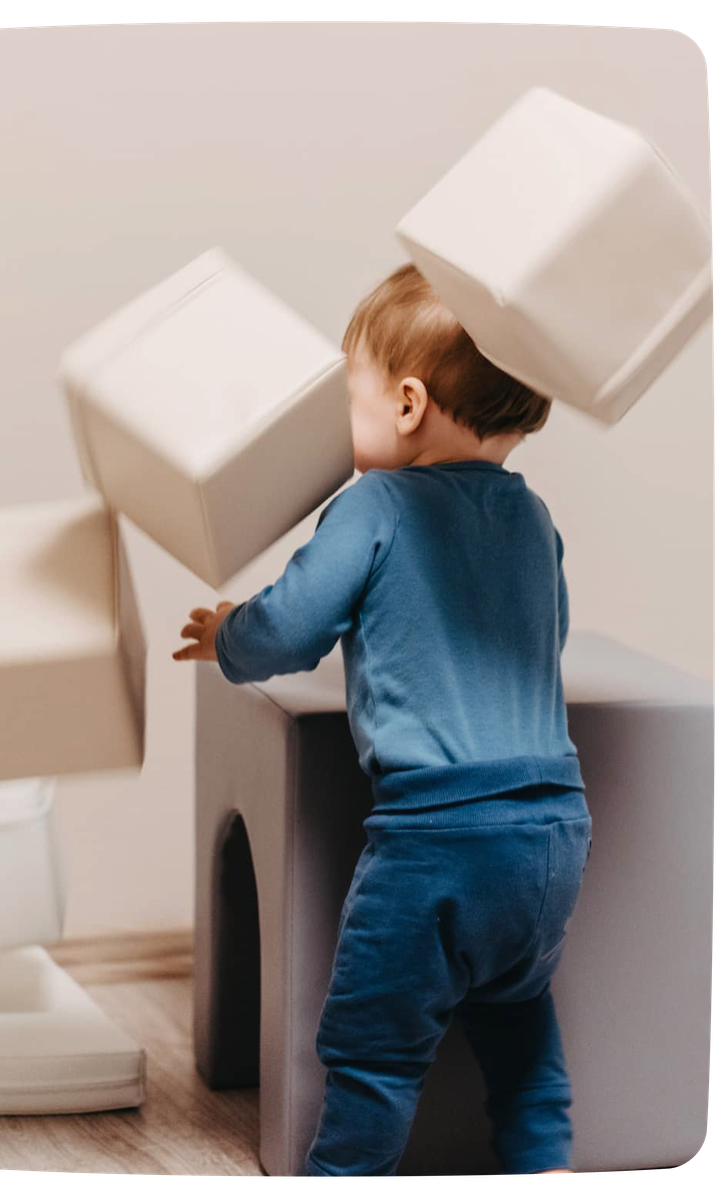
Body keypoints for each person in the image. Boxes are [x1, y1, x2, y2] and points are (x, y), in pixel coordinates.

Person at [172, 263, 592, 1177]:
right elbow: (541, 633)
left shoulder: (373, 506)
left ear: (406, 404)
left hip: (437, 837)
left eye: (347, 391)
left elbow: (291, 625)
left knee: (371, 1056)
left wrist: (227, 634)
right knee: (523, 1044)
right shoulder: (535, 520)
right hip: (552, 834)